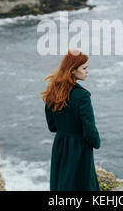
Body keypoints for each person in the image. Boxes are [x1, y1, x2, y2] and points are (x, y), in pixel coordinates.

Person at [41, 48, 101, 191]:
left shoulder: (52, 90)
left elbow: (52, 126)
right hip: (79, 148)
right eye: (84, 68)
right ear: (73, 70)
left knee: (61, 184)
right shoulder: (82, 96)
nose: (87, 71)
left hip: (60, 146)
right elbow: (89, 130)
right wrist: (96, 143)